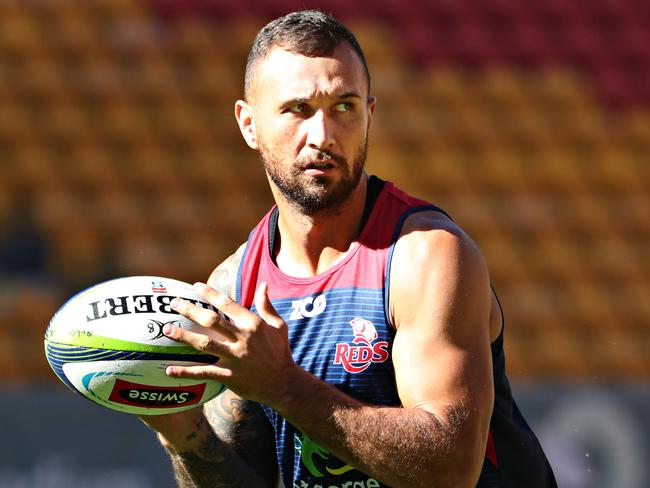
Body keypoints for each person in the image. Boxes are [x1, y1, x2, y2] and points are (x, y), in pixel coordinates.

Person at [142, 10, 557, 488]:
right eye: (297, 109)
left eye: (344, 107)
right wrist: (185, 437)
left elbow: (451, 470)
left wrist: (282, 385)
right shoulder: (235, 286)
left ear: (369, 115)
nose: (323, 136)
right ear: (248, 124)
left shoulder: (425, 255)